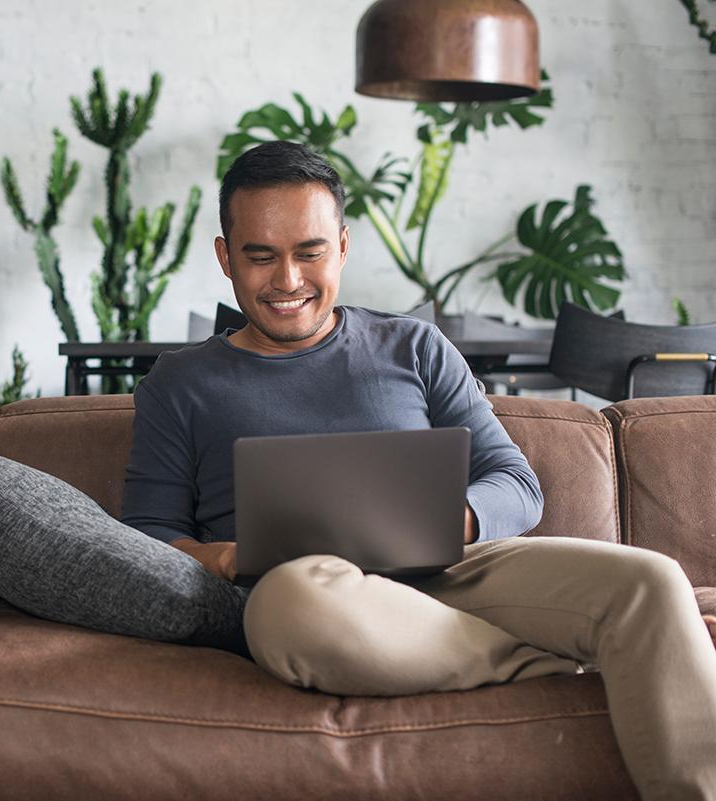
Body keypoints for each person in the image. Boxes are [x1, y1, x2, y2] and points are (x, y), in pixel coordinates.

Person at [119, 141, 716, 801]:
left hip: (451, 572)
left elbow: (517, 485)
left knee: (653, 580)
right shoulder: (180, 384)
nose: (287, 279)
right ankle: (546, 661)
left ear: (342, 247)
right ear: (225, 256)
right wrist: (230, 557)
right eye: (260, 256)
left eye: (309, 252)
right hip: (314, 598)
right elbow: (146, 537)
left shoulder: (416, 346)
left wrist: (446, 518)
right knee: (290, 606)